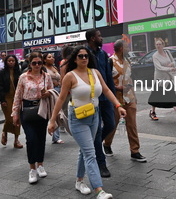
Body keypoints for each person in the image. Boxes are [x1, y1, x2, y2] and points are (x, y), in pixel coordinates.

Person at [47, 46, 126, 199]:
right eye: (81, 56)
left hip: (94, 115)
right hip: (77, 117)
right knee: (90, 153)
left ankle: (79, 181)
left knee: (84, 150)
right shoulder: (70, 76)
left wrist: (118, 106)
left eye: (86, 56)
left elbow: (106, 90)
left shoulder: (95, 73)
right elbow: (62, 98)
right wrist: (52, 120)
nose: (84, 58)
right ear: (75, 59)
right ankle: (99, 190)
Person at [12, 52, 53, 184]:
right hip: (27, 111)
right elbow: (17, 96)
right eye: (34, 63)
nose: (37, 65)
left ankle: (40, 164)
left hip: (42, 109)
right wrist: (15, 114)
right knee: (31, 139)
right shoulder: (23, 77)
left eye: (39, 63)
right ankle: (32, 168)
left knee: (41, 138)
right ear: (29, 64)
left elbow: (52, 91)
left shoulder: (47, 76)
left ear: (42, 63)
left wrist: (47, 93)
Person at [103, 40, 146, 162]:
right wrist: (117, 87)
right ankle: (107, 144)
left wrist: (134, 95)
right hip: (116, 98)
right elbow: (105, 82)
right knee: (113, 123)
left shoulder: (127, 61)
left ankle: (135, 151)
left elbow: (130, 79)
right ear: (121, 48)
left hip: (129, 97)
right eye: (127, 46)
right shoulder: (110, 61)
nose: (129, 48)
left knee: (132, 124)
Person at [85, 28, 116, 178]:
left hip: (105, 97)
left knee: (110, 124)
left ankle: (93, 145)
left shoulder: (103, 54)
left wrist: (114, 99)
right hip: (91, 98)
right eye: (99, 36)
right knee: (96, 131)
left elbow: (108, 76)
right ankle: (101, 163)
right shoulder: (83, 54)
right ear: (92, 38)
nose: (101, 38)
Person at [148, 38, 176, 123]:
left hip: (168, 78)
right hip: (160, 79)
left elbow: (173, 62)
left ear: (163, 45)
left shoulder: (167, 52)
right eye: (157, 44)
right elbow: (159, 67)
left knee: (172, 95)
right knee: (156, 96)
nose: (158, 46)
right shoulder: (155, 56)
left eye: (160, 44)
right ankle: (153, 112)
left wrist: (172, 65)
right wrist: (169, 69)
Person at [0, 55, 23, 149]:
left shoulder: (19, 73)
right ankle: (5, 132)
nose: (11, 62)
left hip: (17, 98)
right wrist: (2, 100)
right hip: (6, 97)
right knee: (9, 118)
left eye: (13, 61)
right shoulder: (1, 73)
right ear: (6, 62)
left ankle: (16, 140)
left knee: (17, 119)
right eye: (9, 61)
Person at [44, 53, 63, 144]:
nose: (52, 58)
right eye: (49, 57)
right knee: (52, 113)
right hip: (50, 92)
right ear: (44, 60)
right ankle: (54, 135)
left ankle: (56, 136)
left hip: (58, 91)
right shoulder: (44, 69)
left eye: (52, 57)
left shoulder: (54, 68)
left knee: (57, 113)